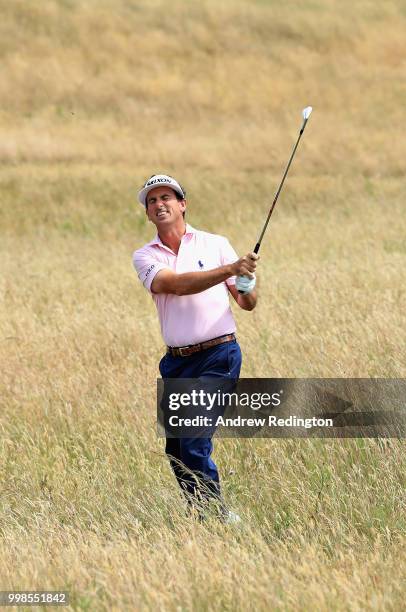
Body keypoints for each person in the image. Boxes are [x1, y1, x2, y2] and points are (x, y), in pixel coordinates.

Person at [132, 174, 259, 522]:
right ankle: (201, 512)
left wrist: (245, 278)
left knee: (193, 439)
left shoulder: (215, 243)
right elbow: (173, 285)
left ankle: (217, 515)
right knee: (176, 448)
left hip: (219, 356)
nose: (159, 204)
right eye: (152, 201)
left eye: (166, 198)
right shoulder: (144, 256)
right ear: (147, 213)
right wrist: (231, 269)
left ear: (182, 204)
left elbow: (247, 302)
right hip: (175, 364)